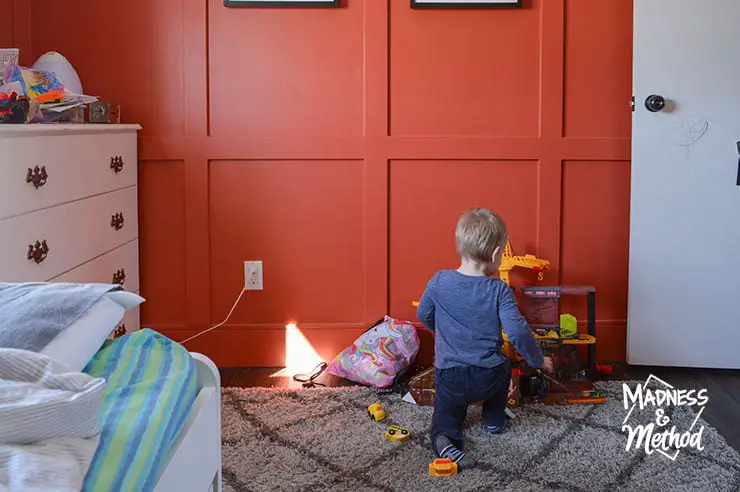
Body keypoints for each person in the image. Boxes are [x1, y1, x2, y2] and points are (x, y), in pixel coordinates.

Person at [416, 207, 554, 470]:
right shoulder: (499, 290)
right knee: (503, 371)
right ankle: (493, 420)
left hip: (450, 375)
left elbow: (424, 315)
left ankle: (446, 438)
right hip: (488, 376)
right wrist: (537, 360)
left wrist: (445, 333)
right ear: (494, 255)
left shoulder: (439, 281)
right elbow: (517, 331)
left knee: (446, 410)